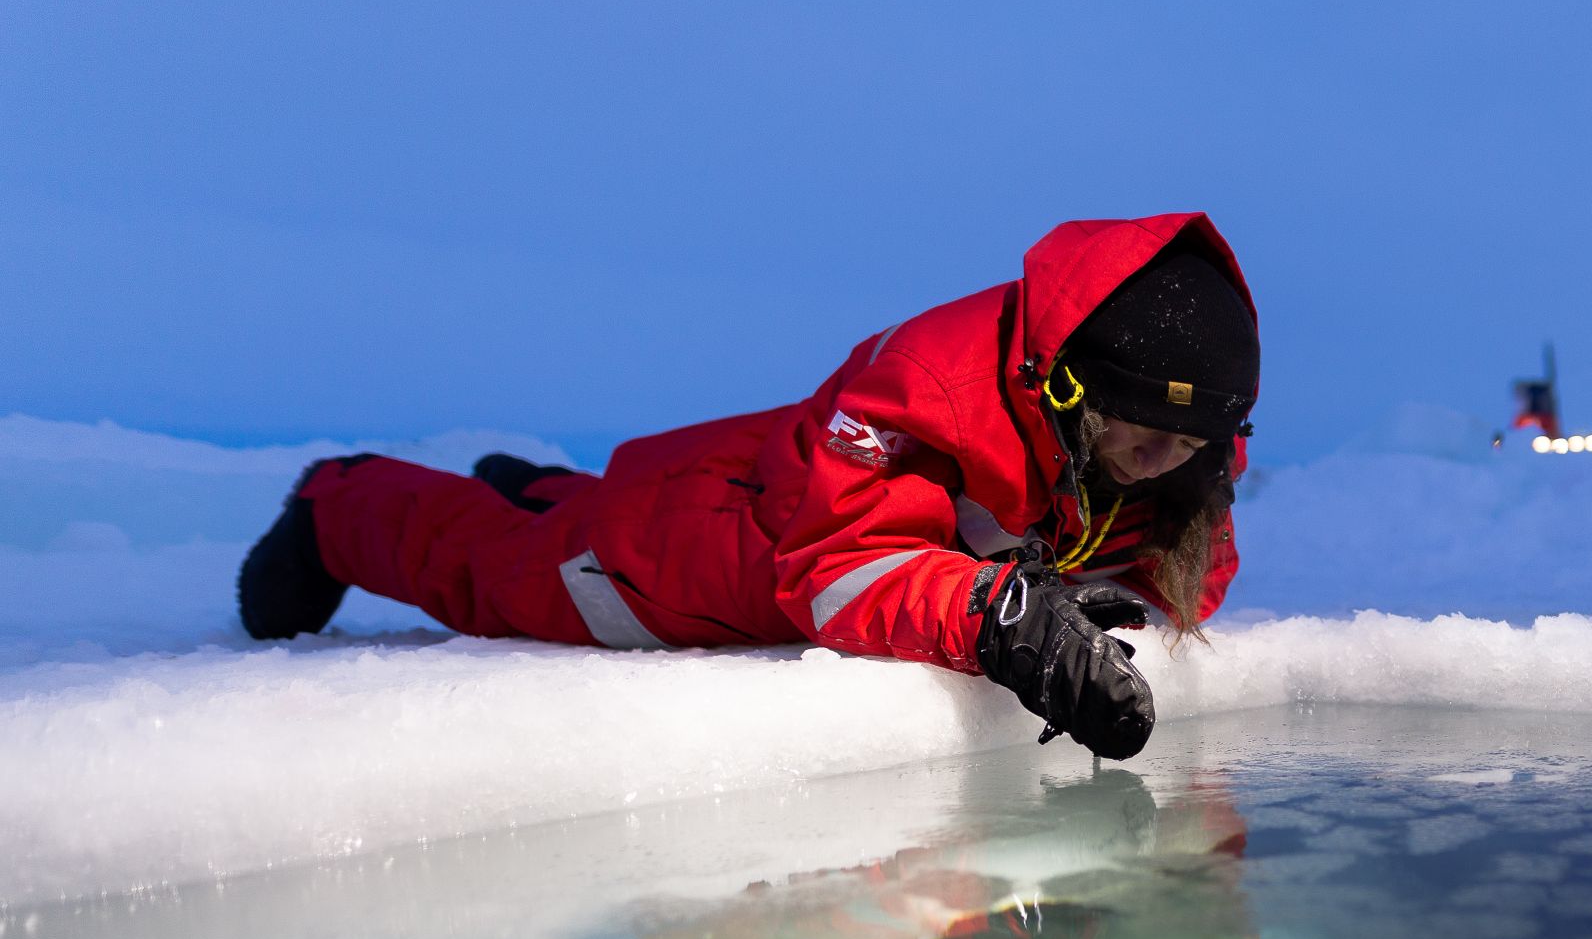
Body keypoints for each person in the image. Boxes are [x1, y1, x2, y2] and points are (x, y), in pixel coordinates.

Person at [234, 212, 1259, 760]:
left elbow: (1173, 561)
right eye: (1149, 432)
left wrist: (1092, 594)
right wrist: (1003, 619)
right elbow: (832, 570)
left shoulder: (1165, 443)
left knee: (567, 514)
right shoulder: (923, 388)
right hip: (682, 557)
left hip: (764, 473)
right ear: (1072, 383)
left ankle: (543, 485)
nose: (1169, 459)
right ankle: (339, 502)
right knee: (491, 572)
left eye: (1195, 442)